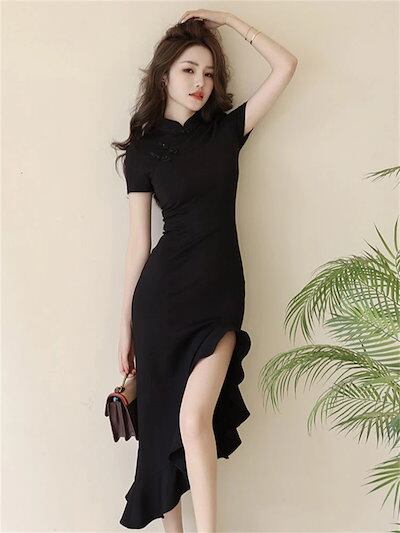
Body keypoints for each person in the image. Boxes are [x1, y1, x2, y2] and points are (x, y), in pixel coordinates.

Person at [111, 9, 298, 532]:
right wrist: (124, 327)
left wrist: (229, 21)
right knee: (159, 430)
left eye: (209, 73)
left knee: (193, 420)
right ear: (164, 75)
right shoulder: (142, 153)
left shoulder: (225, 132)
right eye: (189, 70)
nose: (201, 82)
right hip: (160, 303)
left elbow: (286, 66)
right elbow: (138, 244)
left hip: (218, 298)